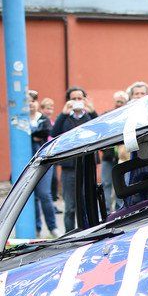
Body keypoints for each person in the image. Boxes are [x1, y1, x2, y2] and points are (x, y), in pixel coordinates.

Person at [50, 86, 97, 232]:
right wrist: (63, 114)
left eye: (80, 98)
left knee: (87, 205)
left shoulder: (89, 116)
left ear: (85, 99)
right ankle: (69, 234)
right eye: (73, 99)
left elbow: (101, 129)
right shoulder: (65, 118)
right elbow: (54, 133)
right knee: (70, 207)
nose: (77, 101)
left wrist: (92, 111)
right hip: (69, 168)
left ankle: (88, 232)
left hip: (87, 166)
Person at [29, 97, 59, 236]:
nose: (30, 104)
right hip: (28, 161)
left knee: (44, 194)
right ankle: (37, 228)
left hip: (44, 160)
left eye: (33, 101)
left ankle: (52, 227)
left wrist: (31, 136)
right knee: (32, 196)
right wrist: (34, 136)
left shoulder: (43, 119)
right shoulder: (20, 120)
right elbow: (35, 136)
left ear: (37, 103)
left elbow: (45, 133)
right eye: (27, 101)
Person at [100, 90, 128, 209]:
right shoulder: (108, 115)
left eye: (121, 102)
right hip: (108, 156)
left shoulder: (128, 116)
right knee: (106, 183)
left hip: (123, 157)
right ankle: (106, 210)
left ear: (126, 103)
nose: (119, 104)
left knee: (120, 184)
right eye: (117, 101)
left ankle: (119, 208)